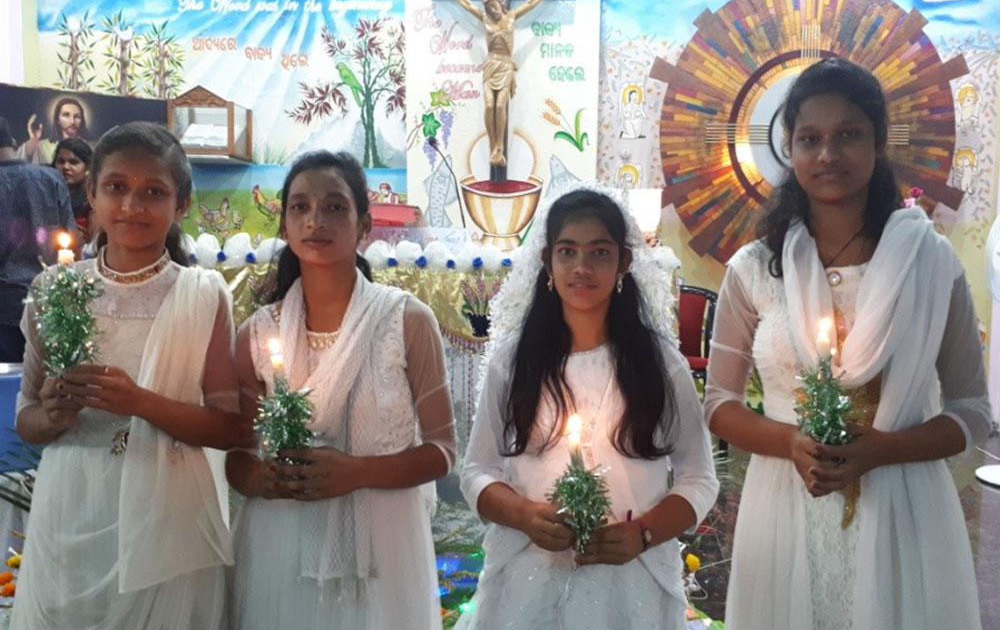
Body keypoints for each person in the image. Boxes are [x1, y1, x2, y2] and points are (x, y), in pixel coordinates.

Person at [705, 58, 990, 630]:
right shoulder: (755, 269)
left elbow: (973, 413)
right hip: (786, 504)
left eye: (848, 135)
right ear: (789, 148)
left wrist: (880, 450)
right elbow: (718, 404)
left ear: (878, 141)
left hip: (904, 506)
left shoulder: (930, 262)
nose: (828, 154)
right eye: (810, 138)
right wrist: (792, 442)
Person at [11, 122, 248, 629]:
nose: (132, 206)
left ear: (180, 204)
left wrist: (142, 402)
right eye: (116, 187)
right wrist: (52, 414)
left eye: (153, 192)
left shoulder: (202, 295)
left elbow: (232, 427)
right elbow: (26, 421)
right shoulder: (54, 289)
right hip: (72, 508)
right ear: (91, 192)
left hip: (169, 519)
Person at [457, 183, 718, 629]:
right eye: (567, 252)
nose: (581, 267)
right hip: (530, 576)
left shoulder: (658, 364)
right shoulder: (514, 361)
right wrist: (524, 514)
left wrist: (645, 532)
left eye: (599, 253)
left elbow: (699, 477)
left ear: (624, 262)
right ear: (547, 262)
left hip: (630, 579)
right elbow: (476, 471)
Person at [226, 150, 456, 630]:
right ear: (285, 224)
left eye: (334, 207)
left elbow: (443, 452)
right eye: (300, 207)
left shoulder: (407, 320)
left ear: (364, 226)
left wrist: (357, 471)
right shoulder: (255, 333)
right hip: (281, 538)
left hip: (383, 542)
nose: (316, 220)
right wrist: (260, 478)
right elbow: (238, 457)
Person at [440, 0, 560, 168]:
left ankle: (500, 147)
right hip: (490, 65)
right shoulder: (485, 19)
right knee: (489, 106)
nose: (492, 10)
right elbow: (467, 4)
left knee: (499, 106)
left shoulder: (511, 17)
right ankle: (493, 146)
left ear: (500, 3)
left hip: (505, 66)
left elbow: (531, 3)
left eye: (494, 6)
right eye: (488, 8)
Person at [0, 116, 74, 362]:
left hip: (3, 309)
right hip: (49, 303)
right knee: (45, 389)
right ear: (12, 141)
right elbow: (71, 240)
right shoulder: (51, 178)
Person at [19, 97, 90, 165]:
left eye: (77, 116)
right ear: (58, 119)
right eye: (66, 115)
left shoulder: (89, 147)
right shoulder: (43, 146)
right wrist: (33, 139)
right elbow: (23, 161)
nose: (72, 121)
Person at [51, 137, 94, 240]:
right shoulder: (46, 194)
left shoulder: (94, 197)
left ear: (87, 167)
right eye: (61, 161)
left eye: (73, 162)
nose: (65, 167)